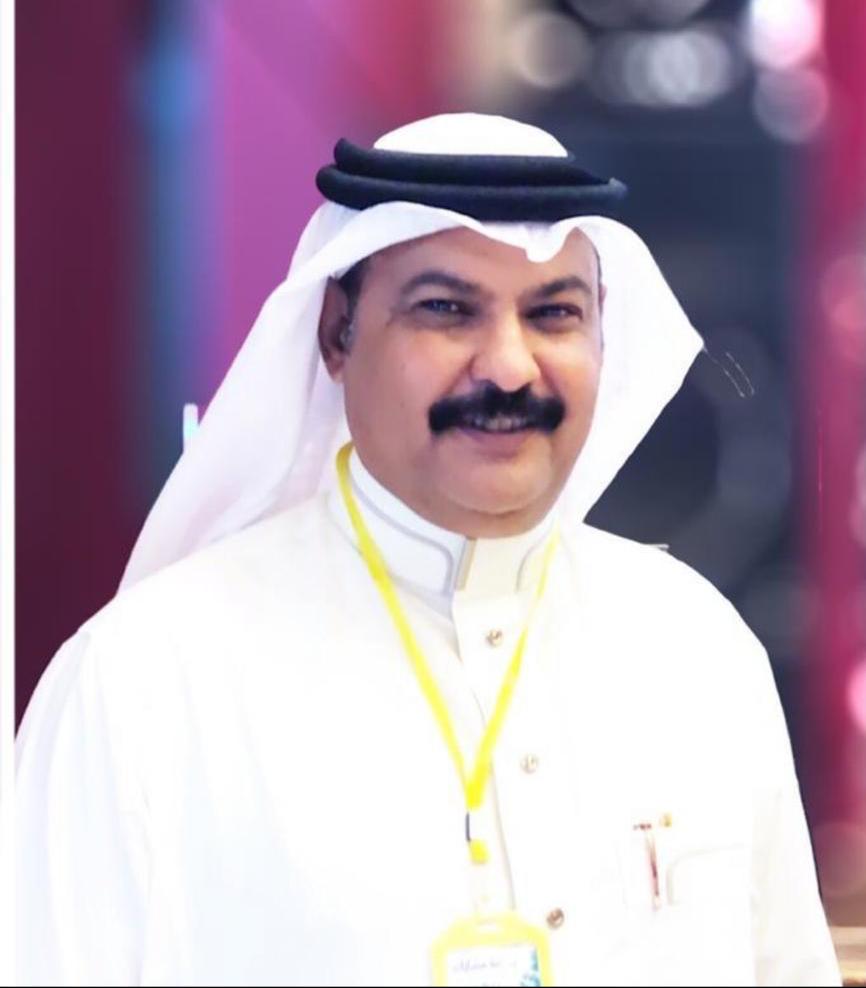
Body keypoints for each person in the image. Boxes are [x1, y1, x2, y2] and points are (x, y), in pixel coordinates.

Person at [16, 113, 840, 987]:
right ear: (337, 333)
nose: (510, 367)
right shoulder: (143, 682)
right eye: (447, 310)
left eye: (554, 314)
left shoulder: (698, 649)